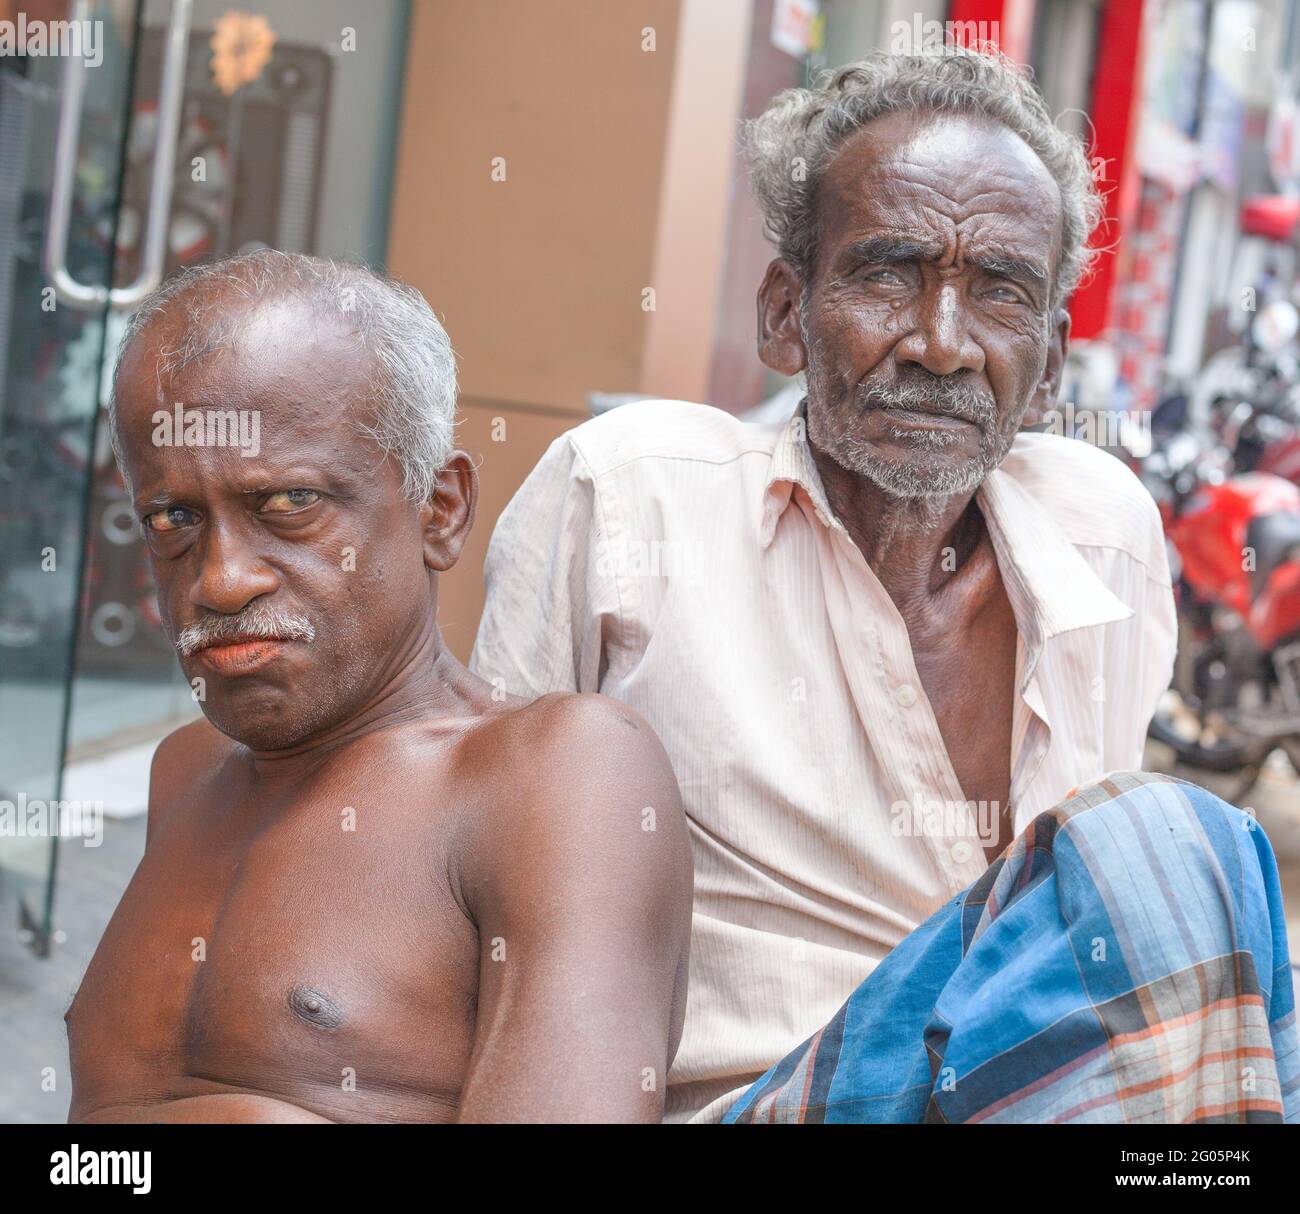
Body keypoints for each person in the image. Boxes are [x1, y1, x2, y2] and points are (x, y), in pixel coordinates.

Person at [471, 49, 1299, 1122]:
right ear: (783, 312)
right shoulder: (628, 495)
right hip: (745, 1100)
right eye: (886, 273)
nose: (943, 345)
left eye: (998, 292)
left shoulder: (1102, 533)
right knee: (1169, 839)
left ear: (1048, 365)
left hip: (1025, 1090)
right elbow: (472, 865)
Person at [66, 251, 693, 1124]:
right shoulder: (184, 770)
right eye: (174, 518)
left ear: (439, 510)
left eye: (288, 504)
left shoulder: (558, 773)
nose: (220, 579)